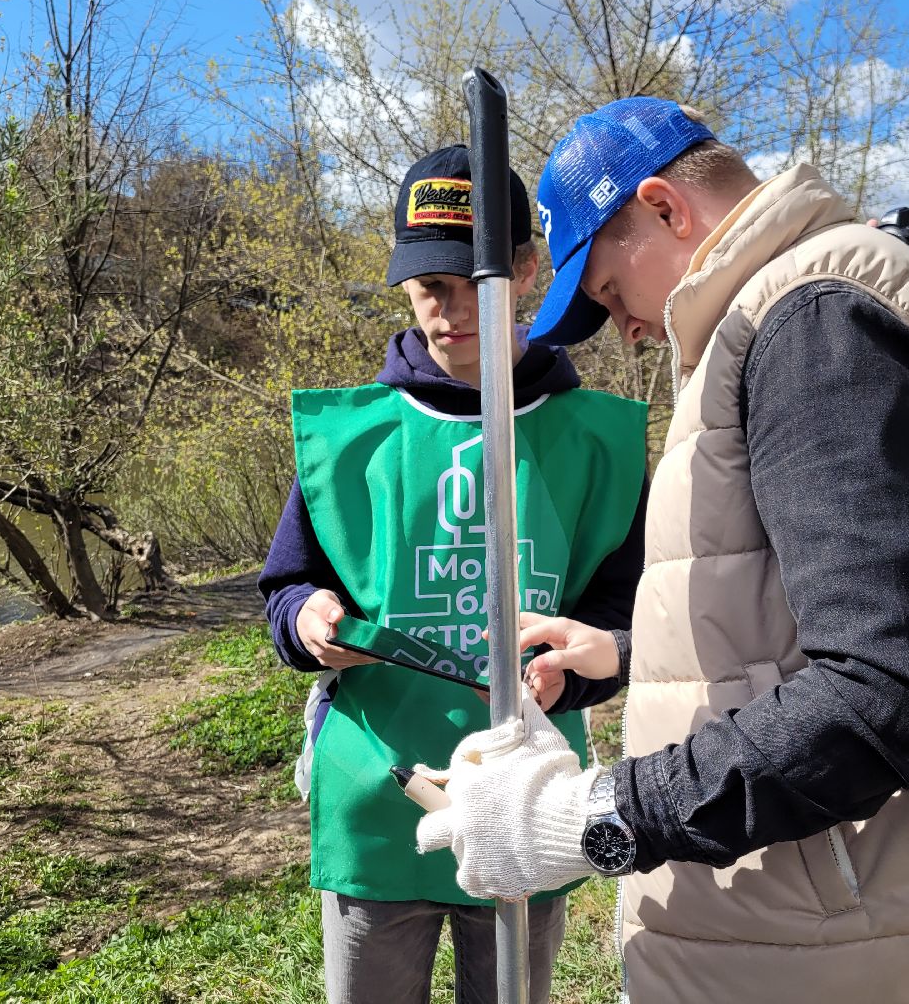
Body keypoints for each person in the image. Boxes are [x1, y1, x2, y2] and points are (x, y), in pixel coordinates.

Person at [413, 99, 909, 1004]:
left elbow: (889, 696)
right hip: (859, 928)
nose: (624, 325)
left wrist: (587, 817)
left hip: (882, 948)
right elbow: (837, 603)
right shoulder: (792, 314)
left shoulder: (813, 325)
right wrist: (629, 654)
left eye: (609, 291)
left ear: (666, 208)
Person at [258, 144, 649, 1004]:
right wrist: (307, 621)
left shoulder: (596, 442)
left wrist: (572, 674)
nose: (451, 310)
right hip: (376, 787)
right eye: (430, 287)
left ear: (525, 270)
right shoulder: (348, 438)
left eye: (476, 283)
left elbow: (623, 617)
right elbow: (287, 587)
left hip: (525, 790)